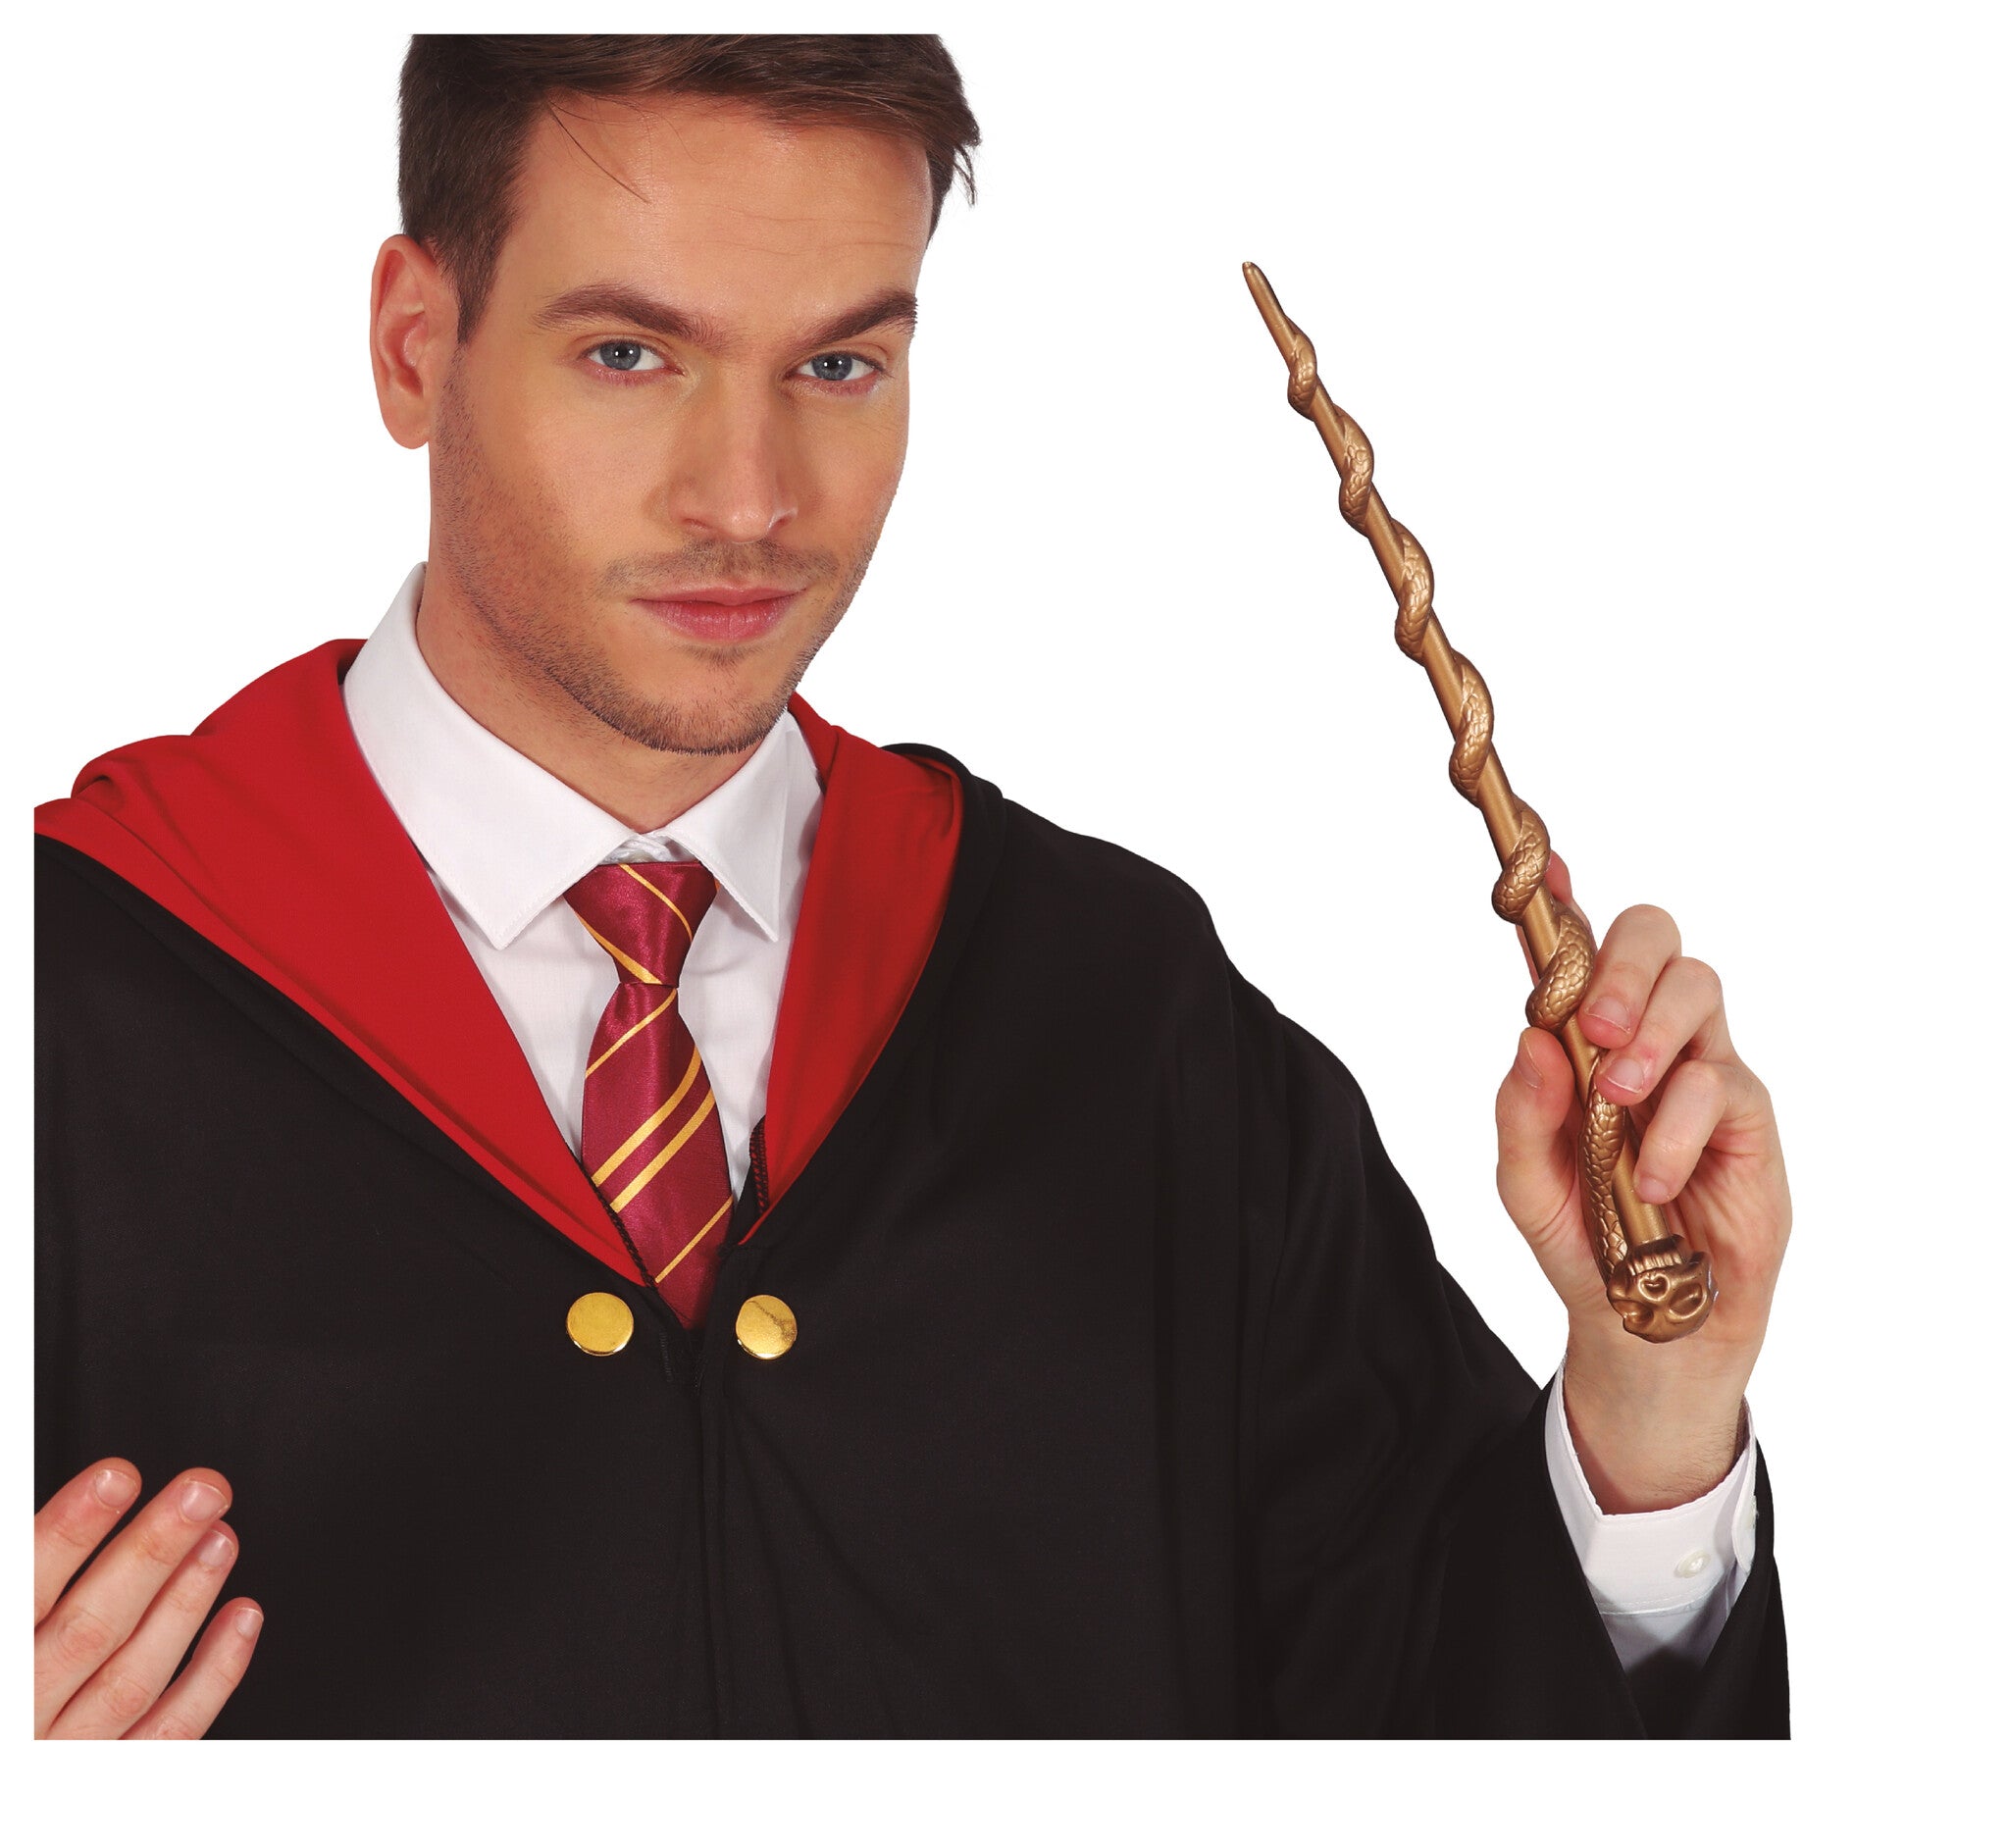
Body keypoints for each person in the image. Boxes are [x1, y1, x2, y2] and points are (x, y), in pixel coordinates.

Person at [32, 33, 1790, 1739]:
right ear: (416, 345)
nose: (749, 501)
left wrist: (1654, 1422)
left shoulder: (1120, 1021)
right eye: (632, 354)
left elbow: (1430, 1728)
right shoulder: (66, 1007)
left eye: (839, 365)